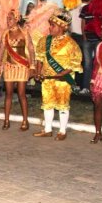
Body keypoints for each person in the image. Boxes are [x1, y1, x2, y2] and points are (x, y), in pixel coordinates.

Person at [33, 11, 83, 140]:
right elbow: (39, 58)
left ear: (61, 27)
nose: (50, 27)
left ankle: (62, 131)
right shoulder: (44, 40)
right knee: (47, 104)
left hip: (63, 80)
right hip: (47, 80)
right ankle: (48, 129)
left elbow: (76, 62)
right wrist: (38, 72)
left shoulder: (71, 43)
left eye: (53, 25)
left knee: (62, 105)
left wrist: (62, 73)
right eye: (50, 25)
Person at [0, 10, 36, 131]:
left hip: (22, 67)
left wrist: (32, 66)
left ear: (17, 19)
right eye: (7, 18)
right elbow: (1, 50)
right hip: (9, 67)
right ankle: (6, 120)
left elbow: (31, 49)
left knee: (21, 93)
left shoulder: (24, 32)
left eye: (10, 18)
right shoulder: (5, 34)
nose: (8, 21)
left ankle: (25, 120)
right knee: (8, 94)